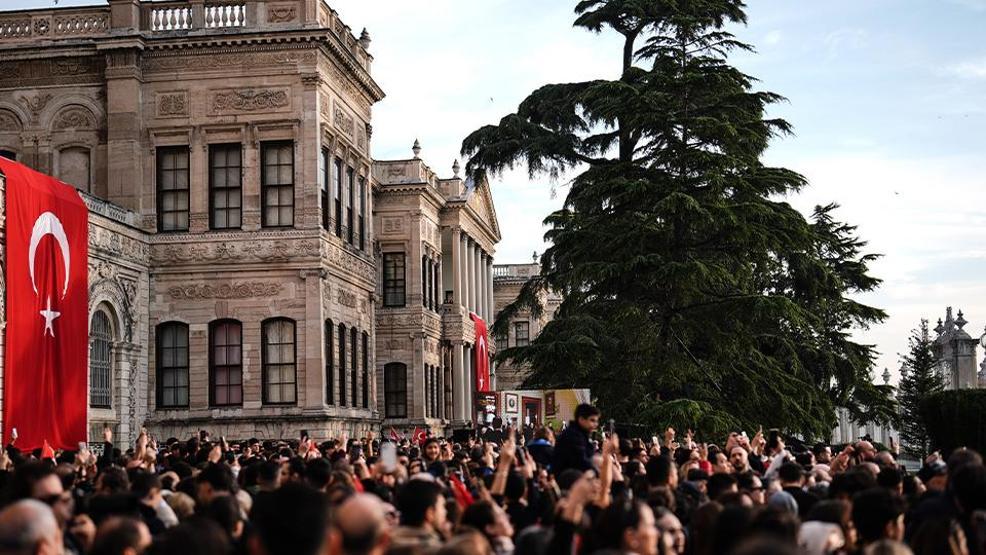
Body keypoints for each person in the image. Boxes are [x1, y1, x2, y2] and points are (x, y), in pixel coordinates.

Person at [390, 479, 446, 551]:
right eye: (442, 506)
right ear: (430, 513)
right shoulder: (438, 551)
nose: (445, 512)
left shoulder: (382, 547)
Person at [552, 404, 600, 475]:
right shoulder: (573, 436)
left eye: (597, 421)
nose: (596, 424)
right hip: (567, 479)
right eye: (592, 420)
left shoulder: (580, 434)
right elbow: (581, 462)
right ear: (581, 419)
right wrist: (599, 473)